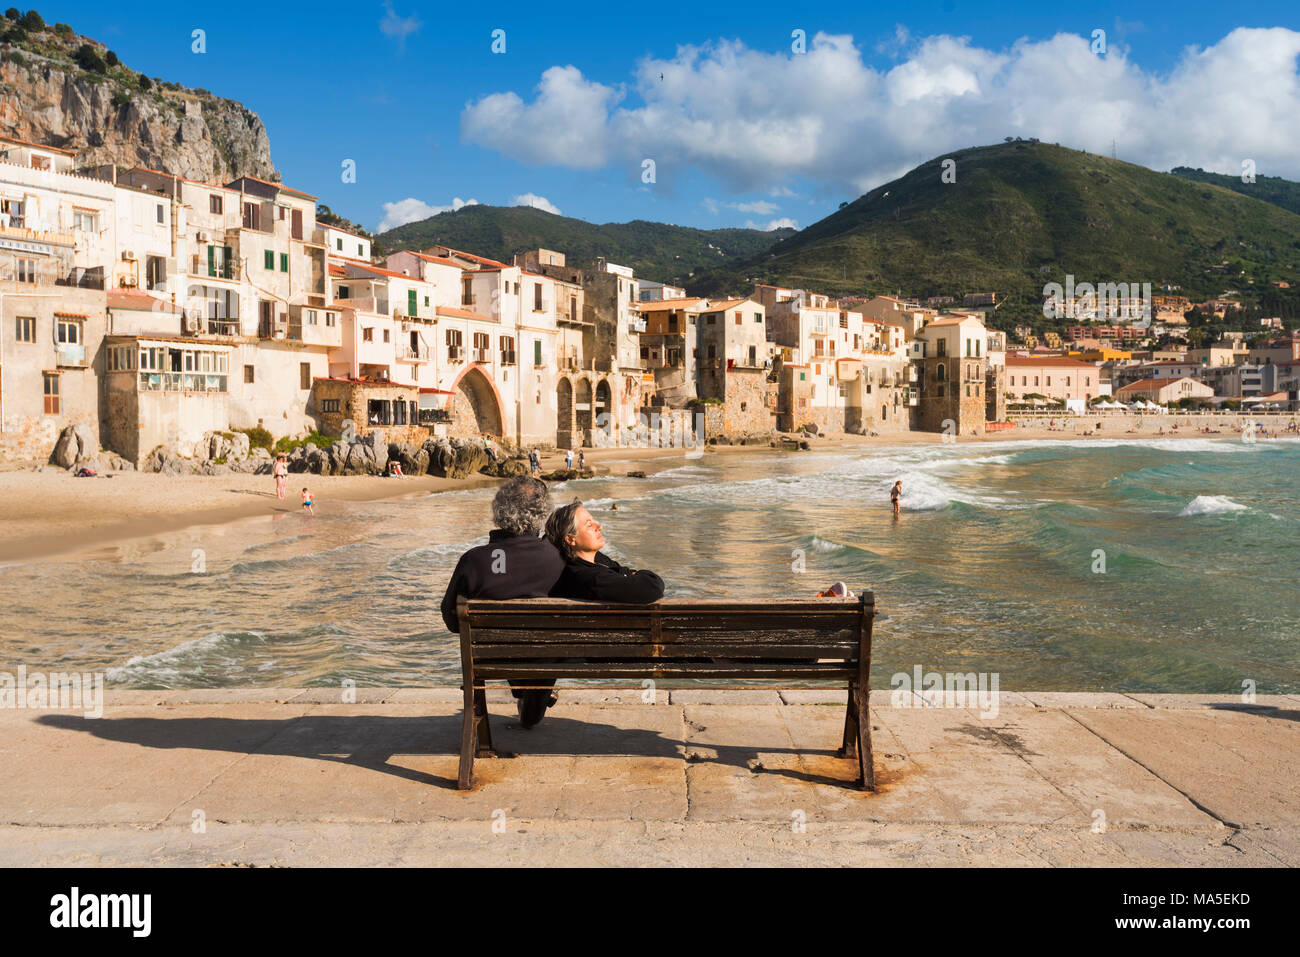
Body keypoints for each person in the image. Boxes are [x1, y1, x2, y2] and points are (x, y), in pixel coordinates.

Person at [442, 476, 565, 728]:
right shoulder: (560, 559)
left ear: (499, 510)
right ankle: (532, 691)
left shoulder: (473, 560)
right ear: (542, 512)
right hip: (546, 656)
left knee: (506, 643)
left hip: (492, 657)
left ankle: (523, 687)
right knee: (544, 648)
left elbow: (451, 619)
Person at [545, 500, 664, 604]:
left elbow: (622, 570)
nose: (599, 527)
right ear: (571, 539)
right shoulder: (589, 578)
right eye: (589, 525)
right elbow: (652, 588)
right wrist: (637, 575)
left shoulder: (596, 559)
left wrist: (627, 575)